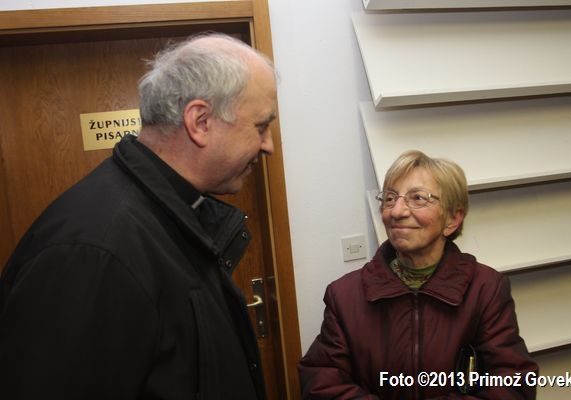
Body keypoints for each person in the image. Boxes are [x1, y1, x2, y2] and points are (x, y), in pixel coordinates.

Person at [0, 33, 277, 399]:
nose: (269, 145)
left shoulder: (170, 213)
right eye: (261, 126)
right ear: (200, 121)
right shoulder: (92, 252)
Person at [298, 150, 538, 400]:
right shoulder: (345, 296)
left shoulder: (485, 289)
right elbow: (321, 382)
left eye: (418, 198)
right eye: (390, 198)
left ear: (452, 219)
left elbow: (512, 384)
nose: (397, 211)